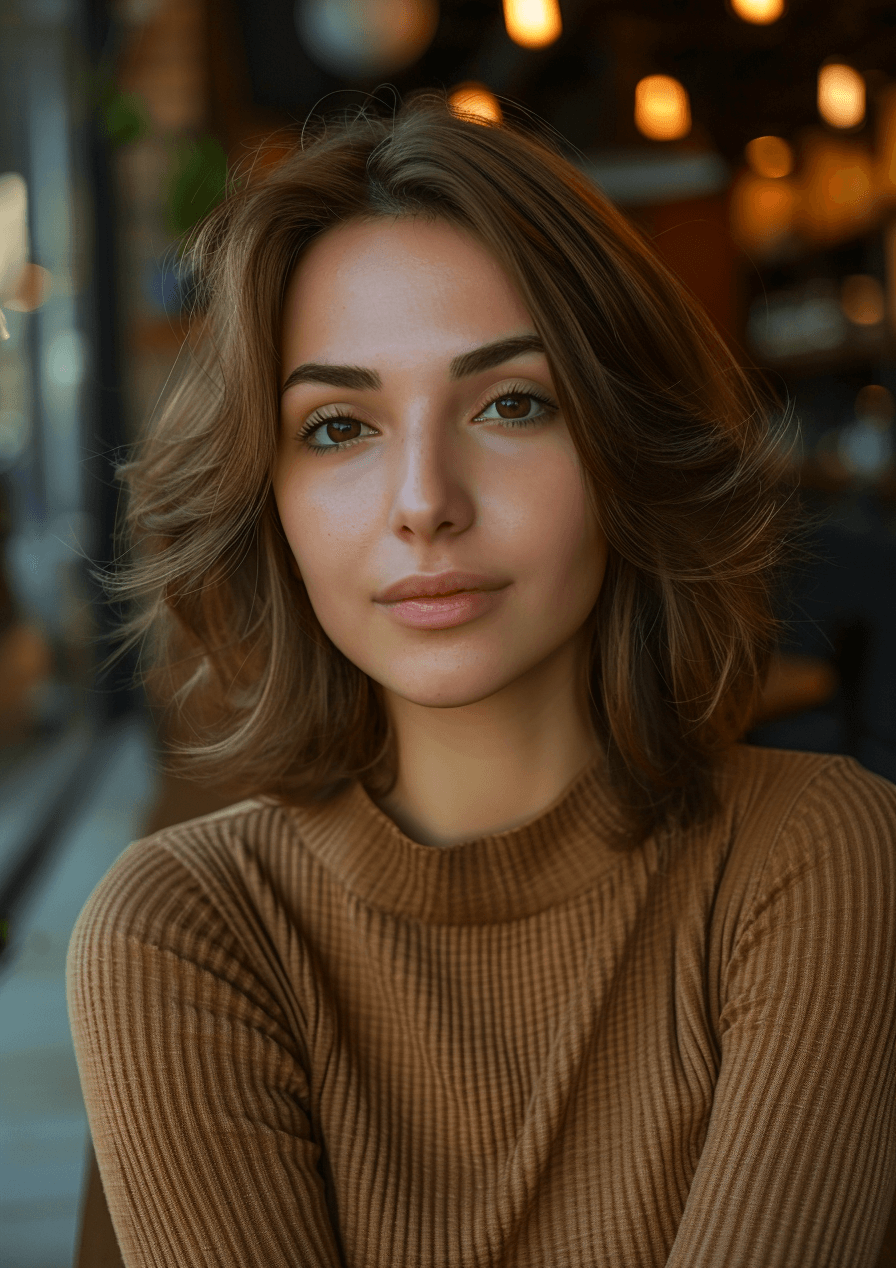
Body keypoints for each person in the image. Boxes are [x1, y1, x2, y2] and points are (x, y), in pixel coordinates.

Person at [67, 96, 896, 1267]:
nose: (424, 501)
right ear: (270, 496)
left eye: (513, 404)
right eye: (339, 426)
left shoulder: (817, 856)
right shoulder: (183, 930)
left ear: (623, 446)